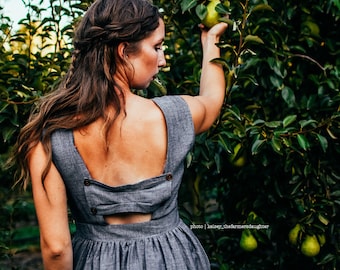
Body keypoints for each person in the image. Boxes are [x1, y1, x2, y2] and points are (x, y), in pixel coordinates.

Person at [12, 0, 228, 268]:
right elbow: (212, 99)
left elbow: (56, 248)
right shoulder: (174, 116)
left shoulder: (48, 137)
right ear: (124, 51)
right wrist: (211, 41)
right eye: (157, 47)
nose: (162, 60)